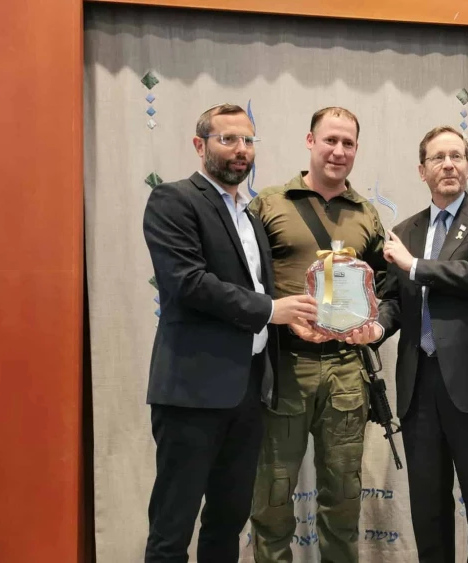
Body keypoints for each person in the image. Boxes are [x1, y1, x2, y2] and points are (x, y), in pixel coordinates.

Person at [141, 103, 319, 563]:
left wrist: (292, 316)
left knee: (227, 520)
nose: (240, 150)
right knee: (172, 524)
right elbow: (188, 282)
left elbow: (257, 289)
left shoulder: (251, 217)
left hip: (248, 392)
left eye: (248, 140)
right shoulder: (174, 200)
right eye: (228, 139)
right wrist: (269, 310)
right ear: (200, 145)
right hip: (192, 393)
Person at [247, 106, 388, 563]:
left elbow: (387, 291)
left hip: (348, 371)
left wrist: (375, 325)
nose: (338, 151)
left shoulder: (367, 215)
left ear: (356, 150)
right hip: (285, 367)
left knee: (344, 498)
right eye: (330, 140)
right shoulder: (268, 204)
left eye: (348, 143)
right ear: (310, 142)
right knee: (272, 496)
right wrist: (277, 315)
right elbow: (242, 279)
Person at [376, 125, 468, 562]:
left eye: (457, 156)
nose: (449, 165)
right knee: (427, 508)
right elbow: (394, 301)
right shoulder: (405, 230)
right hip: (419, 385)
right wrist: (376, 328)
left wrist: (415, 265)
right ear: (422, 171)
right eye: (438, 158)